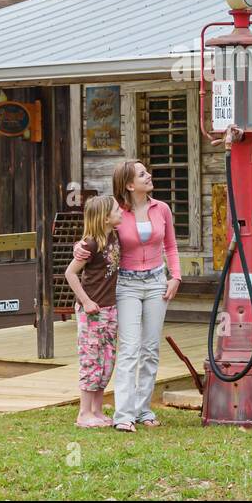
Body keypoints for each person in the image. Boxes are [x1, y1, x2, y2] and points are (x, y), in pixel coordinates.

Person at [75, 160, 180, 432]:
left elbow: (170, 245)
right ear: (130, 185)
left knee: (151, 349)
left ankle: (143, 409)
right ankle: (123, 414)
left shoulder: (162, 209)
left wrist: (175, 277)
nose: (149, 175)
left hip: (157, 282)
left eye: (147, 171)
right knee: (130, 349)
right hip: (127, 285)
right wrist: (80, 246)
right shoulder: (116, 213)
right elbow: (96, 234)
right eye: (142, 174)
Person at [63, 195, 122, 428]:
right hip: (92, 311)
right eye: (117, 209)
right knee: (91, 359)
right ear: (106, 217)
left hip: (110, 308)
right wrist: (86, 301)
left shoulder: (114, 236)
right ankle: (83, 413)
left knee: (107, 360)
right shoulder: (91, 244)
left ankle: (97, 410)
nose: (121, 212)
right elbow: (70, 273)